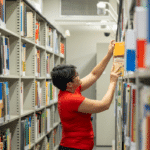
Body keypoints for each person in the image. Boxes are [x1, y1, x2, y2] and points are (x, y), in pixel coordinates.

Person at [51, 40, 122, 150]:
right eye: (76, 76)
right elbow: (104, 105)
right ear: (69, 84)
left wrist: (109, 54)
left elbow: (94, 74)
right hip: (74, 147)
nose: (79, 77)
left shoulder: (69, 90)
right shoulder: (71, 99)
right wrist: (113, 82)